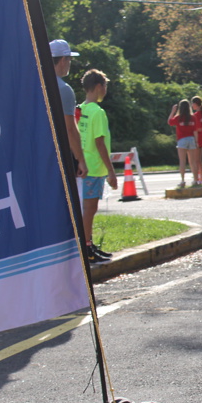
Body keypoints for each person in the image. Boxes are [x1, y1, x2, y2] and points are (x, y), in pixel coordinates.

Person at [76, 69, 118, 264]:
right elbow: (99, 142)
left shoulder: (80, 109)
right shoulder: (98, 112)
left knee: (86, 209)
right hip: (94, 167)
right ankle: (86, 247)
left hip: (82, 165)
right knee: (90, 209)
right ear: (99, 86)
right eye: (105, 86)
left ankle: (88, 244)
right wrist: (111, 171)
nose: (106, 90)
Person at [50, 40, 87, 195]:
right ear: (63, 60)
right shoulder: (63, 89)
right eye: (70, 60)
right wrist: (81, 160)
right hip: (61, 157)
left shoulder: (33, 85)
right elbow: (69, 128)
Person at [168, 100, 200, 188]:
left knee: (182, 161)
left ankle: (182, 180)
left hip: (182, 140)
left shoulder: (178, 117)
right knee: (193, 161)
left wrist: (173, 111)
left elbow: (170, 122)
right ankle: (195, 180)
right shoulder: (193, 117)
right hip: (191, 139)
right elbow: (195, 131)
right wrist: (196, 142)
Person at [191, 96, 202, 184]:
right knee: (199, 160)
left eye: (192, 104)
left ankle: (199, 177)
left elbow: (198, 128)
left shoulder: (196, 115)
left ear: (195, 104)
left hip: (198, 138)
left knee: (196, 160)